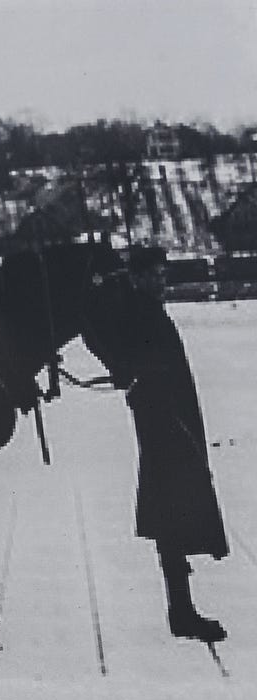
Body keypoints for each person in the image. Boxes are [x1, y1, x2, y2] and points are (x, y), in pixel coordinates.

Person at [120, 244, 229, 642]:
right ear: (137, 276)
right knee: (172, 513)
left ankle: (181, 608)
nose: (160, 281)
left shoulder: (144, 311)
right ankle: (181, 612)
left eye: (163, 274)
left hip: (169, 426)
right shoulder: (140, 314)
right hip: (166, 427)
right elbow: (143, 372)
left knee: (172, 515)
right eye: (153, 274)